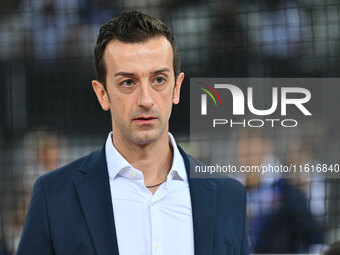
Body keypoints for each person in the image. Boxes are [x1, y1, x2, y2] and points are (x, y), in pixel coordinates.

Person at [17, 10, 249, 255]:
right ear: (102, 94)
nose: (146, 100)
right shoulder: (54, 196)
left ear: (177, 88)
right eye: (128, 82)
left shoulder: (228, 196)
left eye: (159, 79)